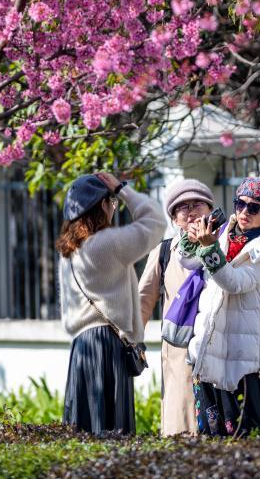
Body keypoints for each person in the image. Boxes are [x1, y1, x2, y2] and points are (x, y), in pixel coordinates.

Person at [184, 177, 260, 438]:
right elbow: (186, 261)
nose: (244, 212)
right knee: (210, 437)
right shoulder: (224, 233)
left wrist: (208, 247)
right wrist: (193, 238)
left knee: (246, 438)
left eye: (254, 207)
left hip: (243, 360)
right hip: (210, 351)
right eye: (240, 204)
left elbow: (234, 283)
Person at [58, 172, 167, 436]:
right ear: (102, 205)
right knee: (112, 433)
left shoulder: (69, 253)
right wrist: (122, 190)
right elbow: (156, 221)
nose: (114, 207)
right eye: (112, 202)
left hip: (82, 346)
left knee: (85, 431)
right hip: (106, 344)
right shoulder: (106, 244)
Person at [137, 179, 215, 436]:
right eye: (183, 207)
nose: (191, 211)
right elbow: (143, 300)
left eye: (197, 204)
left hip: (218, 346)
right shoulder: (164, 252)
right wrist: (132, 340)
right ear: (173, 218)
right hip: (179, 352)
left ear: (210, 209)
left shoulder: (226, 246)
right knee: (180, 426)